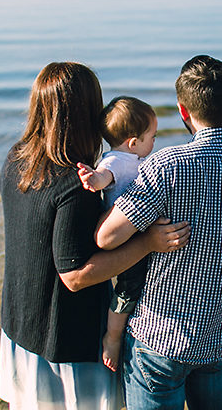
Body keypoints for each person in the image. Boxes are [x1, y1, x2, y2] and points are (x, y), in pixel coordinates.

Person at [0, 62, 190, 410]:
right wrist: (148, 243)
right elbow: (74, 277)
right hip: (66, 340)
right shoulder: (75, 184)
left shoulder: (16, 160)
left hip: (19, 323)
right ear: (85, 113)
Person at [95, 55, 222, 410]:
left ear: (182, 110)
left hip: (162, 339)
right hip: (220, 334)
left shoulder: (168, 166)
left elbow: (106, 238)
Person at [76, 96, 159, 372]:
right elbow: (105, 175)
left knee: (135, 284)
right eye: (152, 137)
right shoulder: (118, 160)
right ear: (133, 142)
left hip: (133, 233)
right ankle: (112, 338)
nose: (154, 142)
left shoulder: (132, 158)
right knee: (127, 289)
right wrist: (94, 179)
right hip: (123, 239)